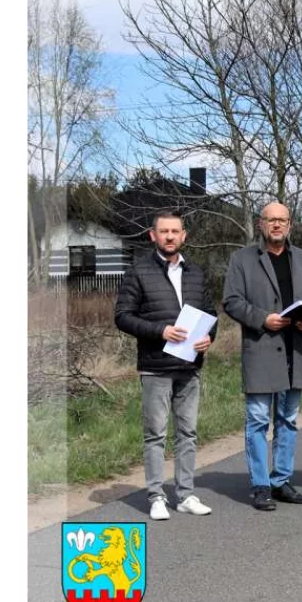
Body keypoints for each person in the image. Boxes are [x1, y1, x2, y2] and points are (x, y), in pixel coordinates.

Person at [114, 210, 217, 521]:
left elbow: (211, 313)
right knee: (155, 434)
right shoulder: (139, 271)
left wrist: (209, 337)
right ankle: (156, 497)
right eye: (164, 231)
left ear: (184, 235)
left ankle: (185, 495)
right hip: (155, 367)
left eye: (175, 231)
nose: (170, 236)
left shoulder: (196, 272)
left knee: (188, 433)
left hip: (189, 366)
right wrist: (160, 331)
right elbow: (122, 316)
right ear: (153, 235)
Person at [222, 201, 302, 511]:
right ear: (260, 224)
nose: (276, 225)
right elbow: (231, 301)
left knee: (288, 419)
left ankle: (281, 480)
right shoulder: (242, 259)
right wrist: (262, 318)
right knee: (257, 420)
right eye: (270, 220)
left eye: (282, 220)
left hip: (296, 350)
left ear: (290, 224)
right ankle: (260, 485)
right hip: (262, 348)